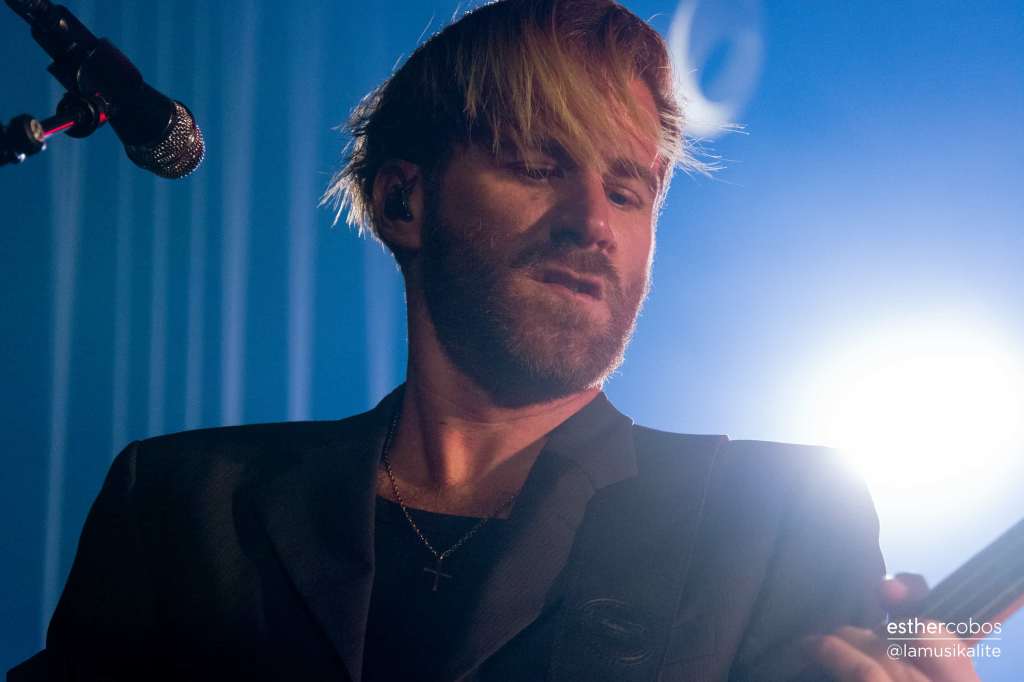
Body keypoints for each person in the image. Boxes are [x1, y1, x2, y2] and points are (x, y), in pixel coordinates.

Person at [9, 1, 981, 680]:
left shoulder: (780, 514)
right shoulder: (182, 501)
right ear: (403, 201)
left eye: (627, 190)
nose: (592, 223)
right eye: (537, 166)